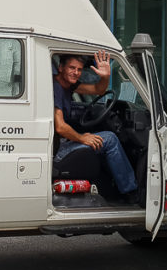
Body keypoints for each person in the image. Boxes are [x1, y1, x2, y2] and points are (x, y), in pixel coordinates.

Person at [53, 51, 139, 204]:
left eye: (79, 70)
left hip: (59, 144)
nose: (76, 73)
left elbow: (98, 90)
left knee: (97, 138)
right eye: (72, 68)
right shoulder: (56, 87)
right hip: (57, 151)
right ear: (60, 67)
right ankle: (131, 193)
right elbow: (60, 127)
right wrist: (82, 138)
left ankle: (109, 188)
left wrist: (105, 76)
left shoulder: (68, 86)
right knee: (110, 139)